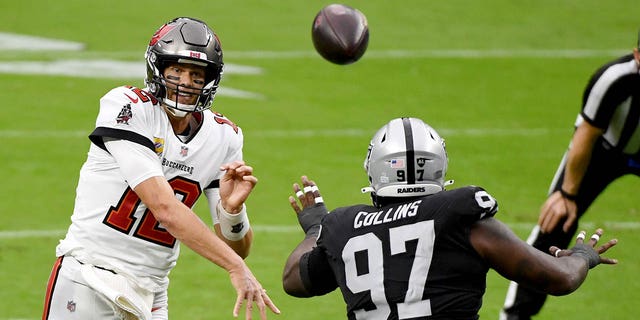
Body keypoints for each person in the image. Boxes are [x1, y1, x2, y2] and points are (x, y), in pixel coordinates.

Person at [41, 17, 279, 320]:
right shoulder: (127, 107)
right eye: (176, 69)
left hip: (152, 290)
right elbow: (164, 208)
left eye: (196, 74)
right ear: (158, 69)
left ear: (209, 80)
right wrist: (234, 266)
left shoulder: (225, 136)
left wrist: (232, 212)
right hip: (91, 276)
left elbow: (239, 248)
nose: (185, 81)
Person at [282, 117, 618, 320]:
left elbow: (294, 281)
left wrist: (316, 228)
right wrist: (583, 257)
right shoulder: (460, 215)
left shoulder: (343, 227)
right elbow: (559, 279)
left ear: (375, 170)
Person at [500, 33, 640, 320]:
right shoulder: (613, 80)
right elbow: (586, 135)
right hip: (603, 150)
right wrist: (567, 194)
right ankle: (514, 316)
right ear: (637, 55)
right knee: (555, 223)